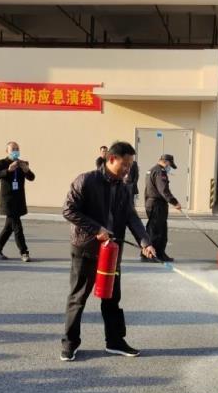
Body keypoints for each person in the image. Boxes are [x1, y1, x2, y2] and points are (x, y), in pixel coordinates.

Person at [61, 141, 156, 361]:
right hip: (86, 248)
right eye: (125, 164)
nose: (128, 170)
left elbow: (131, 217)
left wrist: (145, 242)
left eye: (130, 165)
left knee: (112, 298)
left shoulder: (124, 187)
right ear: (112, 159)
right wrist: (96, 229)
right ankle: (69, 343)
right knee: (78, 297)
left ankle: (115, 341)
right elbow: (68, 210)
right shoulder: (86, 180)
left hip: (112, 253)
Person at [0, 141, 35, 261]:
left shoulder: (22, 163)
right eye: (13, 149)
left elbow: (32, 177)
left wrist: (26, 170)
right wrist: (8, 170)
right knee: (17, 228)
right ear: (7, 151)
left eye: (17, 149)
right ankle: (24, 252)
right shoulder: (2, 163)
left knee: (8, 228)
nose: (15, 151)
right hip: (8, 200)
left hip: (19, 200)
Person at [144, 153, 181, 262]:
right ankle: (156, 255)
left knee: (153, 229)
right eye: (170, 165)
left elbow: (148, 190)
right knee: (158, 231)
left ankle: (151, 254)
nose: (170, 168)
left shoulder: (151, 170)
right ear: (167, 162)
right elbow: (163, 190)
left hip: (151, 202)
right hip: (158, 205)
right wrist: (174, 202)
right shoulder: (160, 172)